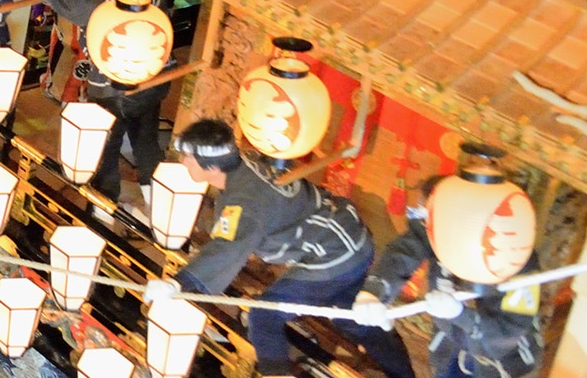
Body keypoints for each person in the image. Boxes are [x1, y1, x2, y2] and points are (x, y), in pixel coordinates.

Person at [152, 119, 415, 378]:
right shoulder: (248, 162)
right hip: (349, 240)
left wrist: (178, 283)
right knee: (355, 317)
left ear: (209, 165)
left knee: (265, 316)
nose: (183, 161)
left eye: (187, 156)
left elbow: (226, 248)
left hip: (331, 256)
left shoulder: (244, 204)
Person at [31, 0, 172, 208]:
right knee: (146, 141)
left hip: (110, 84)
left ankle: (104, 211)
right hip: (153, 74)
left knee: (105, 147)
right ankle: (159, 211)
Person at [354, 174, 544, 378]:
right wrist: (373, 292)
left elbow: (504, 335)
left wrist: (458, 313)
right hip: (451, 347)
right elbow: (405, 251)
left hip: (500, 363)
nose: (424, 227)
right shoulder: (436, 227)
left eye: (428, 219)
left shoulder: (517, 260)